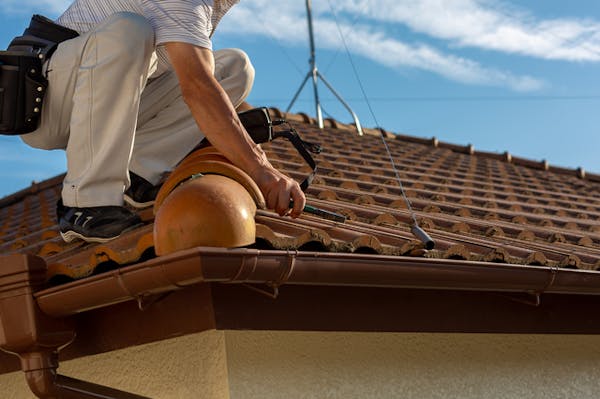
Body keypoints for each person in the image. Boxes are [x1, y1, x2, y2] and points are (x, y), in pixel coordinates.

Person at [19, 0, 306, 243]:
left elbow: (202, 84)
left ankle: (139, 172)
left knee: (234, 68)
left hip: (96, 100)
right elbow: (198, 89)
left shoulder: (207, 7)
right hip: (45, 102)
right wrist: (262, 171)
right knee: (130, 31)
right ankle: (86, 203)